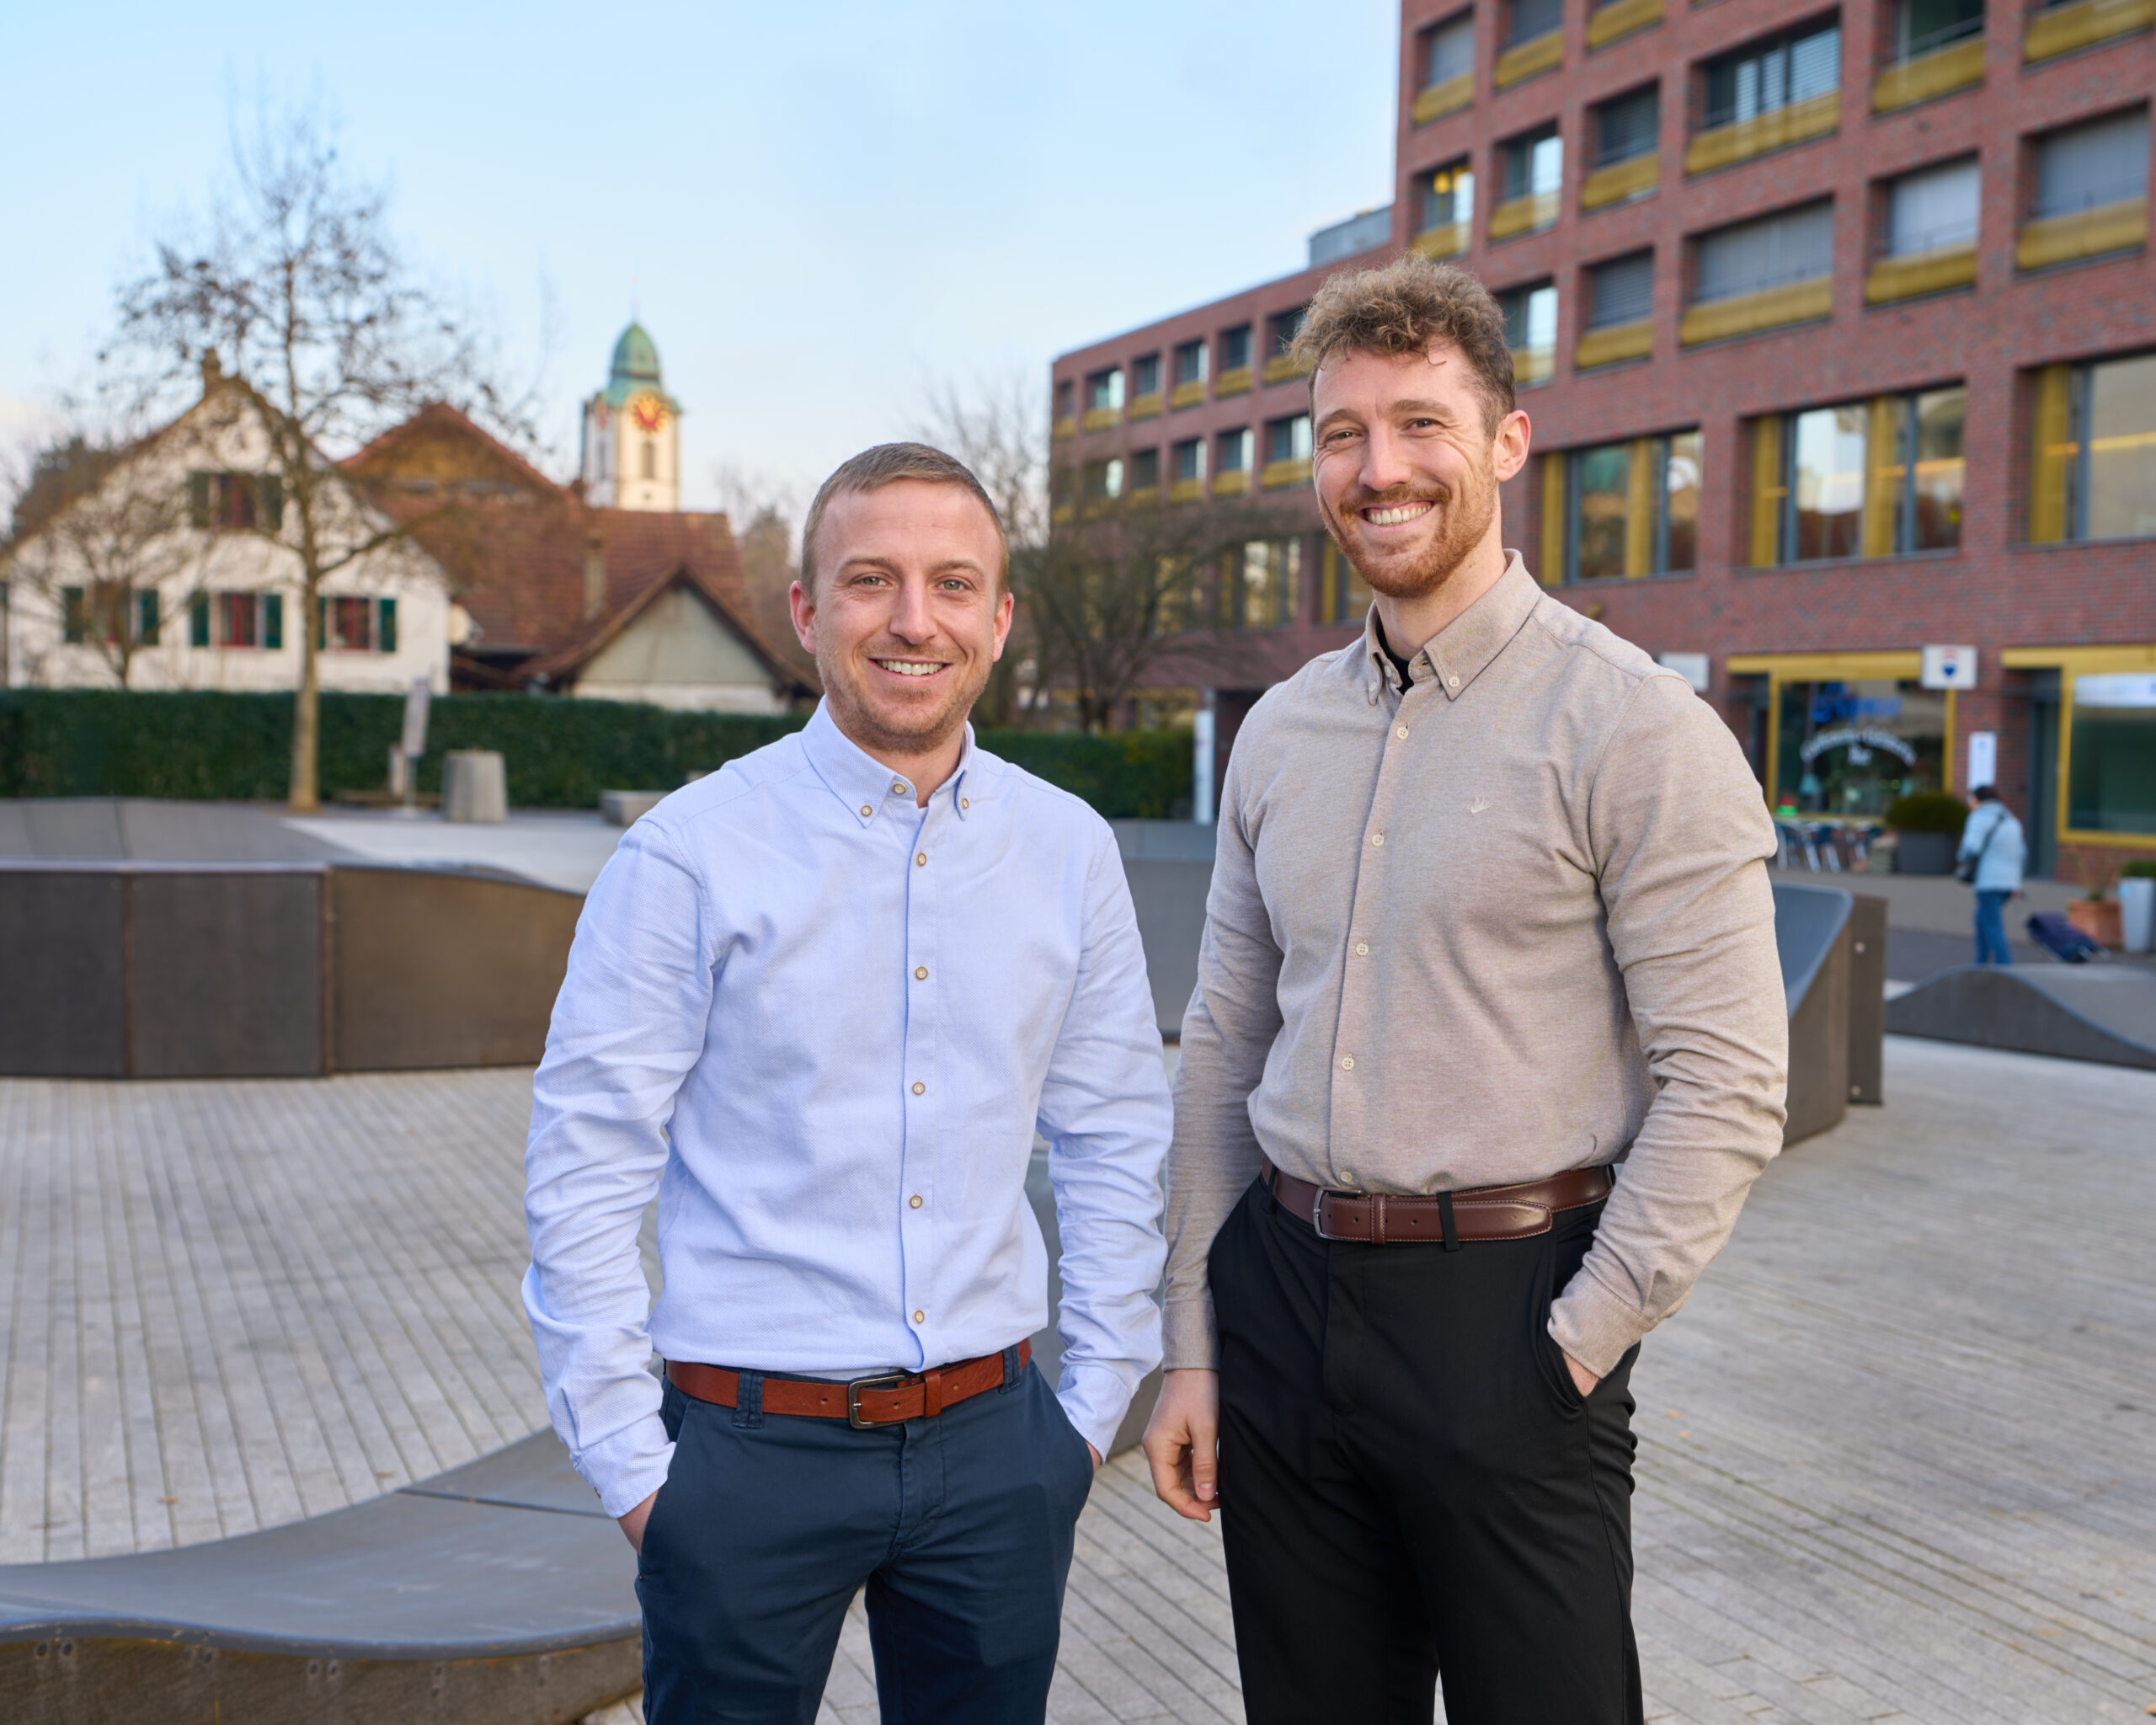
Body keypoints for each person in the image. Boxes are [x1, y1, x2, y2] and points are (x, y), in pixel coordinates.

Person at [1140, 256, 1790, 1725]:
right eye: (1344, 434)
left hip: (1514, 1314)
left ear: (1506, 439)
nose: (1381, 471)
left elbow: (1733, 1079)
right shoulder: (1280, 732)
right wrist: (1194, 1334)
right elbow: (1223, 1046)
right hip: (1283, 1306)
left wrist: (1577, 1340)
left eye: (1423, 425)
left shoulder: (1634, 726)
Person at [523, 443, 1172, 1725]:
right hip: (746, 1458)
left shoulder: (1068, 851)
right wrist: (637, 1473)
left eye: (951, 583)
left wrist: (1089, 1410)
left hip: (1000, 1449)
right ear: (810, 613)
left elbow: (1113, 1135)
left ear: (999, 617)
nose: (913, 620)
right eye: (871, 580)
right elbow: (585, 1165)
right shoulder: (689, 856)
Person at [1959, 784, 2026, 964]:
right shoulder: (2011, 819)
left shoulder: (1979, 817)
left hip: (1988, 881)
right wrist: (2017, 883)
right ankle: (1980, 963)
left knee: (1992, 925)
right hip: (2010, 882)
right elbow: (2022, 853)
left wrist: (1961, 857)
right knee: (1982, 919)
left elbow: (1971, 848)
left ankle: (2005, 967)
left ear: (1976, 800)